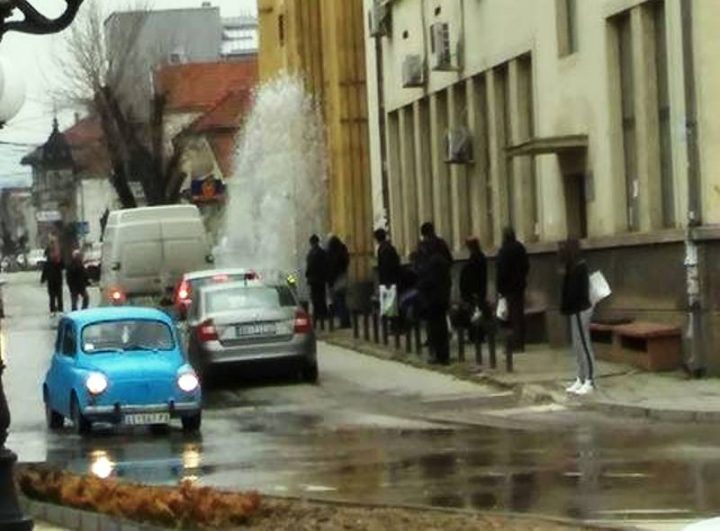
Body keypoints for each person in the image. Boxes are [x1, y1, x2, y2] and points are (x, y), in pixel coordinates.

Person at [560, 239, 595, 395]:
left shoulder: (581, 266)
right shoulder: (571, 267)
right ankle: (580, 377)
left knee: (584, 344)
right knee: (576, 345)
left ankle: (589, 379)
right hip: (574, 309)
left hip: (581, 309)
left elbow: (579, 292)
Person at [415, 222, 453, 365]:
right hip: (443, 291)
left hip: (430, 293)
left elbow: (420, 270)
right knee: (442, 323)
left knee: (433, 325)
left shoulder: (423, 248)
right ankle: (444, 355)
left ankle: (437, 354)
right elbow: (450, 262)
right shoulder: (441, 245)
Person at [496, 226, 529, 352]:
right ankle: (520, 342)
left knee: (510, 316)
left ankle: (514, 344)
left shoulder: (504, 250)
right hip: (519, 286)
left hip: (508, 288)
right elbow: (526, 266)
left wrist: (500, 289)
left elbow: (501, 271)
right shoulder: (520, 248)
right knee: (518, 314)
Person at [459, 237, 488, 341]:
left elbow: (474, 276)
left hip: (474, 291)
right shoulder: (478, 257)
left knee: (475, 313)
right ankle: (476, 335)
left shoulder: (476, 258)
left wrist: (472, 291)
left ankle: (477, 335)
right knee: (476, 313)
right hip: (476, 290)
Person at [326, 235, 351, 328]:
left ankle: (344, 322)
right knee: (343, 301)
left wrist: (330, 281)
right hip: (343, 278)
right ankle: (346, 321)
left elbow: (331, 268)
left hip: (336, 281)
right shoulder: (343, 251)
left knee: (339, 302)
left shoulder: (332, 254)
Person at [305, 234, 328, 319]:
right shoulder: (322, 252)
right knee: (321, 296)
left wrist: (307, 275)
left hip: (313, 279)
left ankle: (317, 314)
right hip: (321, 279)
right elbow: (326, 265)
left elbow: (309, 266)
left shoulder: (311, 253)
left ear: (311, 243)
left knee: (315, 298)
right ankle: (323, 314)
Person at [41, 240, 65, 316]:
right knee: (53, 296)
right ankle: (53, 310)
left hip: (56, 280)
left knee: (57, 295)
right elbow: (45, 271)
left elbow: (63, 266)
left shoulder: (57, 261)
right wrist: (43, 279)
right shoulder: (48, 263)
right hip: (53, 281)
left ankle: (58, 309)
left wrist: (43, 279)